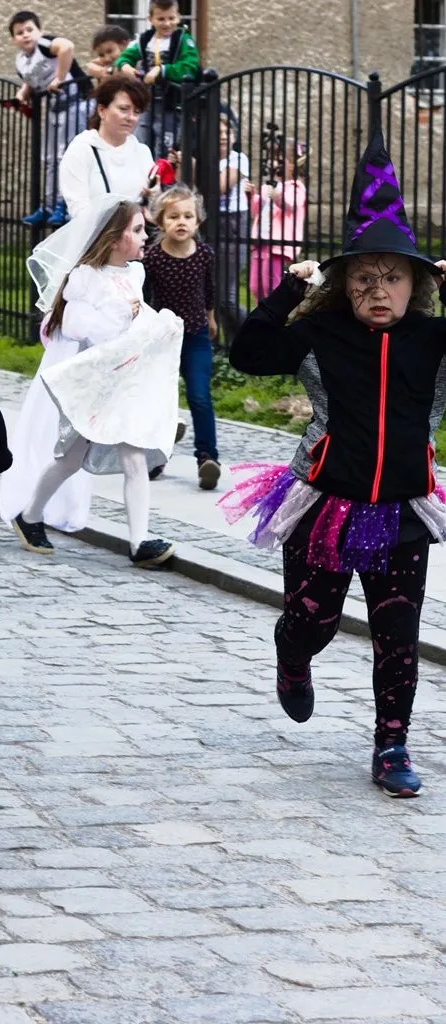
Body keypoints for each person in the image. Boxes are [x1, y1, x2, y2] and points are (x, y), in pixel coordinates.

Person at [218, 129, 446, 798]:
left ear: (416, 284)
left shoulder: (432, 340)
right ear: (344, 284)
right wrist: (285, 293)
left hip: (402, 508)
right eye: (364, 278)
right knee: (313, 620)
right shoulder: (320, 332)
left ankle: (391, 745)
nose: (378, 290)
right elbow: (249, 354)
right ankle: (292, 654)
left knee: (397, 633)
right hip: (327, 503)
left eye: (393, 277)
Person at [0, 197, 183, 567]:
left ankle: (139, 542)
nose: (145, 236)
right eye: (136, 230)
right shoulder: (85, 279)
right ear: (113, 239)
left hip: (125, 385)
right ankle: (30, 515)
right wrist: (123, 317)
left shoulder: (135, 274)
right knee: (69, 460)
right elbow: (78, 327)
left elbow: (138, 322)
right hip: (94, 389)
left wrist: (159, 323)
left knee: (135, 458)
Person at [144, 184, 220, 490]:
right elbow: (145, 298)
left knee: (199, 395)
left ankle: (207, 457)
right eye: (173, 216)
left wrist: (211, 317)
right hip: (163, 338)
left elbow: (209, 290)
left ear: (197, 222)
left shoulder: (204, 255)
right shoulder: (152, 258)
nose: (181, 222)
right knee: (160, 397)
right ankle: (156, 455)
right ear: (160, 222)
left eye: (188, 216)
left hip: (196, 334)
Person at [9, 10, 89, 228]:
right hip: (55, 107)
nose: (26, 35)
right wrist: (21, 95)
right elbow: (31, 79)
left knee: (67, 156)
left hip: (76, 102)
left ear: (39, 31)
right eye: (19, 32)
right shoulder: (21, 61)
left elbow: (67, 47)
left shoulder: (44, 44)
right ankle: (49, 206)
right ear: (14, 39)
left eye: (30, 29)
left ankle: (65, 204)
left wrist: (60, 78)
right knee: (50, 157)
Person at [58, 76, 154, 218]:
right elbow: (78, 210)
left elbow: (153, 206)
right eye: (123, 109)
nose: (131, 117)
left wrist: (153, 197)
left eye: (137, 112)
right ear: (102, 110)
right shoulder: (82, 149)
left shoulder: (142, 152)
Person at [115, 0, 200, 156]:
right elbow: (125, 57)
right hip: (146, 100)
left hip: (171, 103)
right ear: (151, 19)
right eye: (161, 19)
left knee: (165, 145)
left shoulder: (184, 39)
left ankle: (162, 171)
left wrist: (162, 70)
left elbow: (189, 66)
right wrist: (125, 65)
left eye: (171, 18)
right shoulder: (145, 40)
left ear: (178, 17)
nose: (166, 23)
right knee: (140, 139)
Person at [248, 136, 308, 302]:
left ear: (293, 164)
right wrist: (251, 196)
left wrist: (276, 196)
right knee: (255, 285)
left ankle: (276, 313)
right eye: (272, 159)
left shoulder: (296, 187)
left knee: (271, 285)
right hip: (261, 241)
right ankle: (263, 311)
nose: (274, 163)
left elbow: (290, 205)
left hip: (278, 246)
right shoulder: (270, 185)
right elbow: (256, 210)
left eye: (280, 160)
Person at [217, 112, 250, 346]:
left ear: (234, 136)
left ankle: (260, 332)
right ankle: (230, 345)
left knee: (226, 297)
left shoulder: (239, 159)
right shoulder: (205, 159)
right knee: (215, 292)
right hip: (211, 223)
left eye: (227, 132)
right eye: (218, 132)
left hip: (234, 224)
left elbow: (217, 187)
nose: (222, 136)